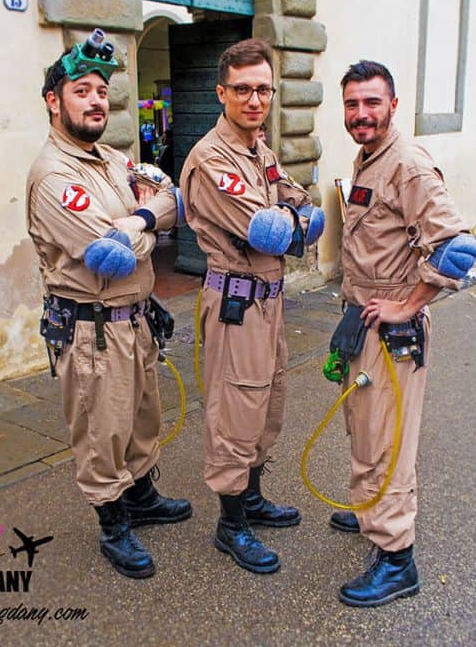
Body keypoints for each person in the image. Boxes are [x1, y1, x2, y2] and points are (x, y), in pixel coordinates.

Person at [26, 31, 191, 580]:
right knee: (102, 430)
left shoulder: (114, 159)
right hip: (92, 329)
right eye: (81, 90)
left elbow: (171, 198)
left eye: (102, 91)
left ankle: (141, 497)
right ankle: (113, 524)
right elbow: (110, 258)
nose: (96, 100)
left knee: (143, 418)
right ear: (55, 101)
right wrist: (145, 224)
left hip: (137, 320)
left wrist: (140, 218)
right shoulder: (54, 175)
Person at [329, 60, 476, 608]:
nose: (361, 114)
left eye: (372, 103)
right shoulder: (371, 157)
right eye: (352, 104)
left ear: (393, 105)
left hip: (391, 333)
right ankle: (372, 511)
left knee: (387, 442)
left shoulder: (408, 164)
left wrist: (408, 304)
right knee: (365, 430)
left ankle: (397, 559)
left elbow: (456, 248)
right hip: (361, 320)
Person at [179, 38, 325, 574]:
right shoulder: (212, 158)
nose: (254, 98)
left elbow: (306, 209)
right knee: (235, 412)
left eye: (263, 88)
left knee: (268, 405)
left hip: (270, 302)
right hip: (237, 304)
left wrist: (293, 220)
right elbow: (271, 232)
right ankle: (230, 523)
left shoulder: (259, 151)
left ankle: (254, 499)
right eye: (242, 89)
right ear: (222, 93)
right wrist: (291, 222)